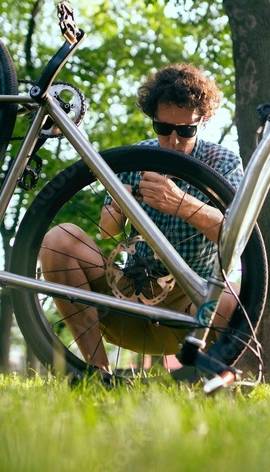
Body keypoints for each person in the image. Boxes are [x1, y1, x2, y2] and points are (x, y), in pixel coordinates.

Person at [40, 64, 243, 371]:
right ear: (152, 121)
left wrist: (180, 203)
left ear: (202, 120)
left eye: (185, 130)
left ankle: (208, 378)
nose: (173, 140)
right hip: (131, 293)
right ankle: (97, 375)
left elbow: (238, 239)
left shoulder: (223, 162)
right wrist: (119, 206)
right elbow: (108, 232)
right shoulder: (137, 156)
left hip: (192, 306)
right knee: (59, 238)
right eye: (163, 128)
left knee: (238, 296)